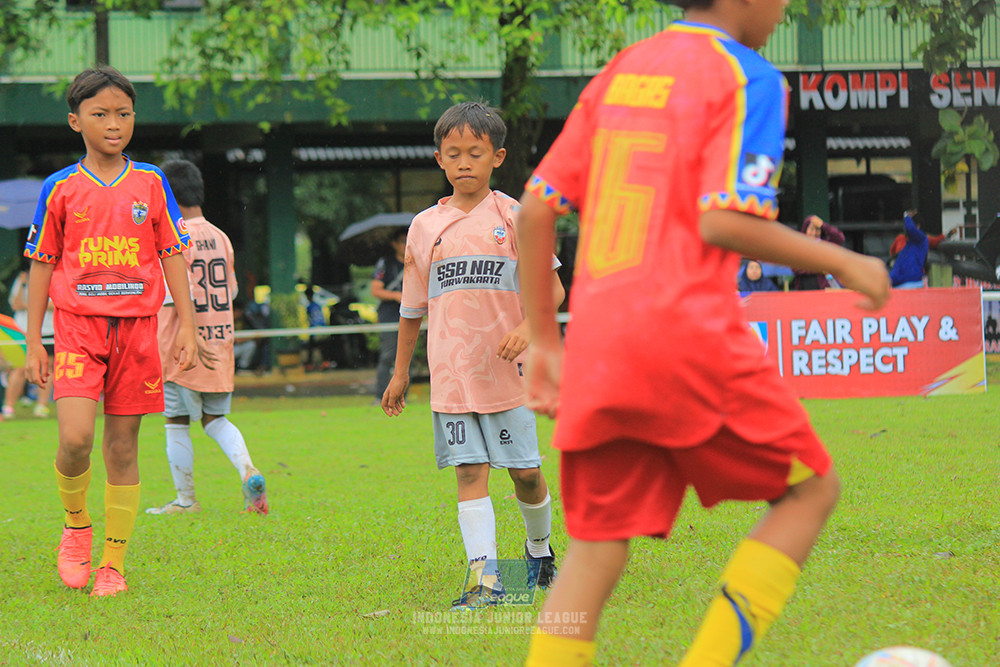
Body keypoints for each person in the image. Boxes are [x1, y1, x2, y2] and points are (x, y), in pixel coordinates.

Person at [514, 0, 891, 663]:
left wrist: (546, 340)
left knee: (597, 545)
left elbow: (537, 204)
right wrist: (847, 260)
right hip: (689, 336)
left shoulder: (623, 70)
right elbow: (722, 221)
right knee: (812, 489)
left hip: (602, 349)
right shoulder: (750, 77)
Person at [23, 66, 199, 598]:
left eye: (123, 114)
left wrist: (187, 324)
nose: (114, 124)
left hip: (139, 334)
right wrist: (34, 339)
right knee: (75, 439)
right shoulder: (60, 188)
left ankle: (113, 565)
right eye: (100, 114)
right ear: (76, 121)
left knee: (122, 448)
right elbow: (40, 264)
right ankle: (76, 526)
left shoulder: (151, 182)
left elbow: (172, 255)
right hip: (77, 331)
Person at [382, 101, 566, 609]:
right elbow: (411, 308)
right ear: (439, 159)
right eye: (454, 153)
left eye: (475, 153)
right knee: (468, 473)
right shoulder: (423, 227)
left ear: (497, 157)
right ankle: (485, 582)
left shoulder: (517, 216)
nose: (464, 163)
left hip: (508, 376)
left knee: (526, 474)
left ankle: (539, 550)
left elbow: (552, 291)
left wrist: (529, 326)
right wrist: (401, 374)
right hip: (452, 378)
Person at [145, 159, 269, 517]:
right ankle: (248, 468)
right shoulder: (221, 236)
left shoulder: (171, 235)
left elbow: (170, 296)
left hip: (181, 345)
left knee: (176, 421)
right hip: (220, 341)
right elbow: (228, 293)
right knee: (215, 419)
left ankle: (186, 500)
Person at [4, 255, 54, 419]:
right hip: (22, 330)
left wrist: (32, 305)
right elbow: (16, 303)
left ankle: (41, 406)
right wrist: (25, 286)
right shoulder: (22, 279)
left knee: (48, 369)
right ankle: (9, 407)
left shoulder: (55, 277)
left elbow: (54, 305)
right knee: (18, 368)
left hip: (48, 330)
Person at [371, 227, 407, 400]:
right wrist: (395, 296)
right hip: (389, 316)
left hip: (409, 315)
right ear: (394, 244)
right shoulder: (385, 263)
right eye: (402, 241)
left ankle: (403, 395)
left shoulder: (415, 261)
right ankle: (380, 395)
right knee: (387, 356)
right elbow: (375, 290)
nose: (406, 245)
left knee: (408, 356)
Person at [889, 210, 954, 289]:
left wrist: (906, 216)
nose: (905, 228)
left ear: (918, 226)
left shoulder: (921, 239)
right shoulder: (905, 243)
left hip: (910, 284)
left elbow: (911, 229)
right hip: (900, 284)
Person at [792, 215, 845, 290]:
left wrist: (823, 225)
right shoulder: (798, 247)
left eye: (817, 229)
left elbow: (840, 238)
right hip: (803, 288)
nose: (814, 233)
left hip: (822, 289)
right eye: (811, 229)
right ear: (805, 230)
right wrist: (818, 267)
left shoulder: (825, 245)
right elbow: (795, 267)